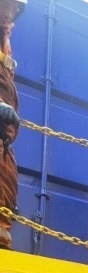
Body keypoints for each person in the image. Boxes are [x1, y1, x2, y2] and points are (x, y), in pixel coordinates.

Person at [0, 0, 25, 250]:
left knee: (7, 180)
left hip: (3, 133)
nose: (11, 11)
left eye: (16, 8)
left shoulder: (5, 45)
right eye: (8, 5)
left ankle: (1, 232)